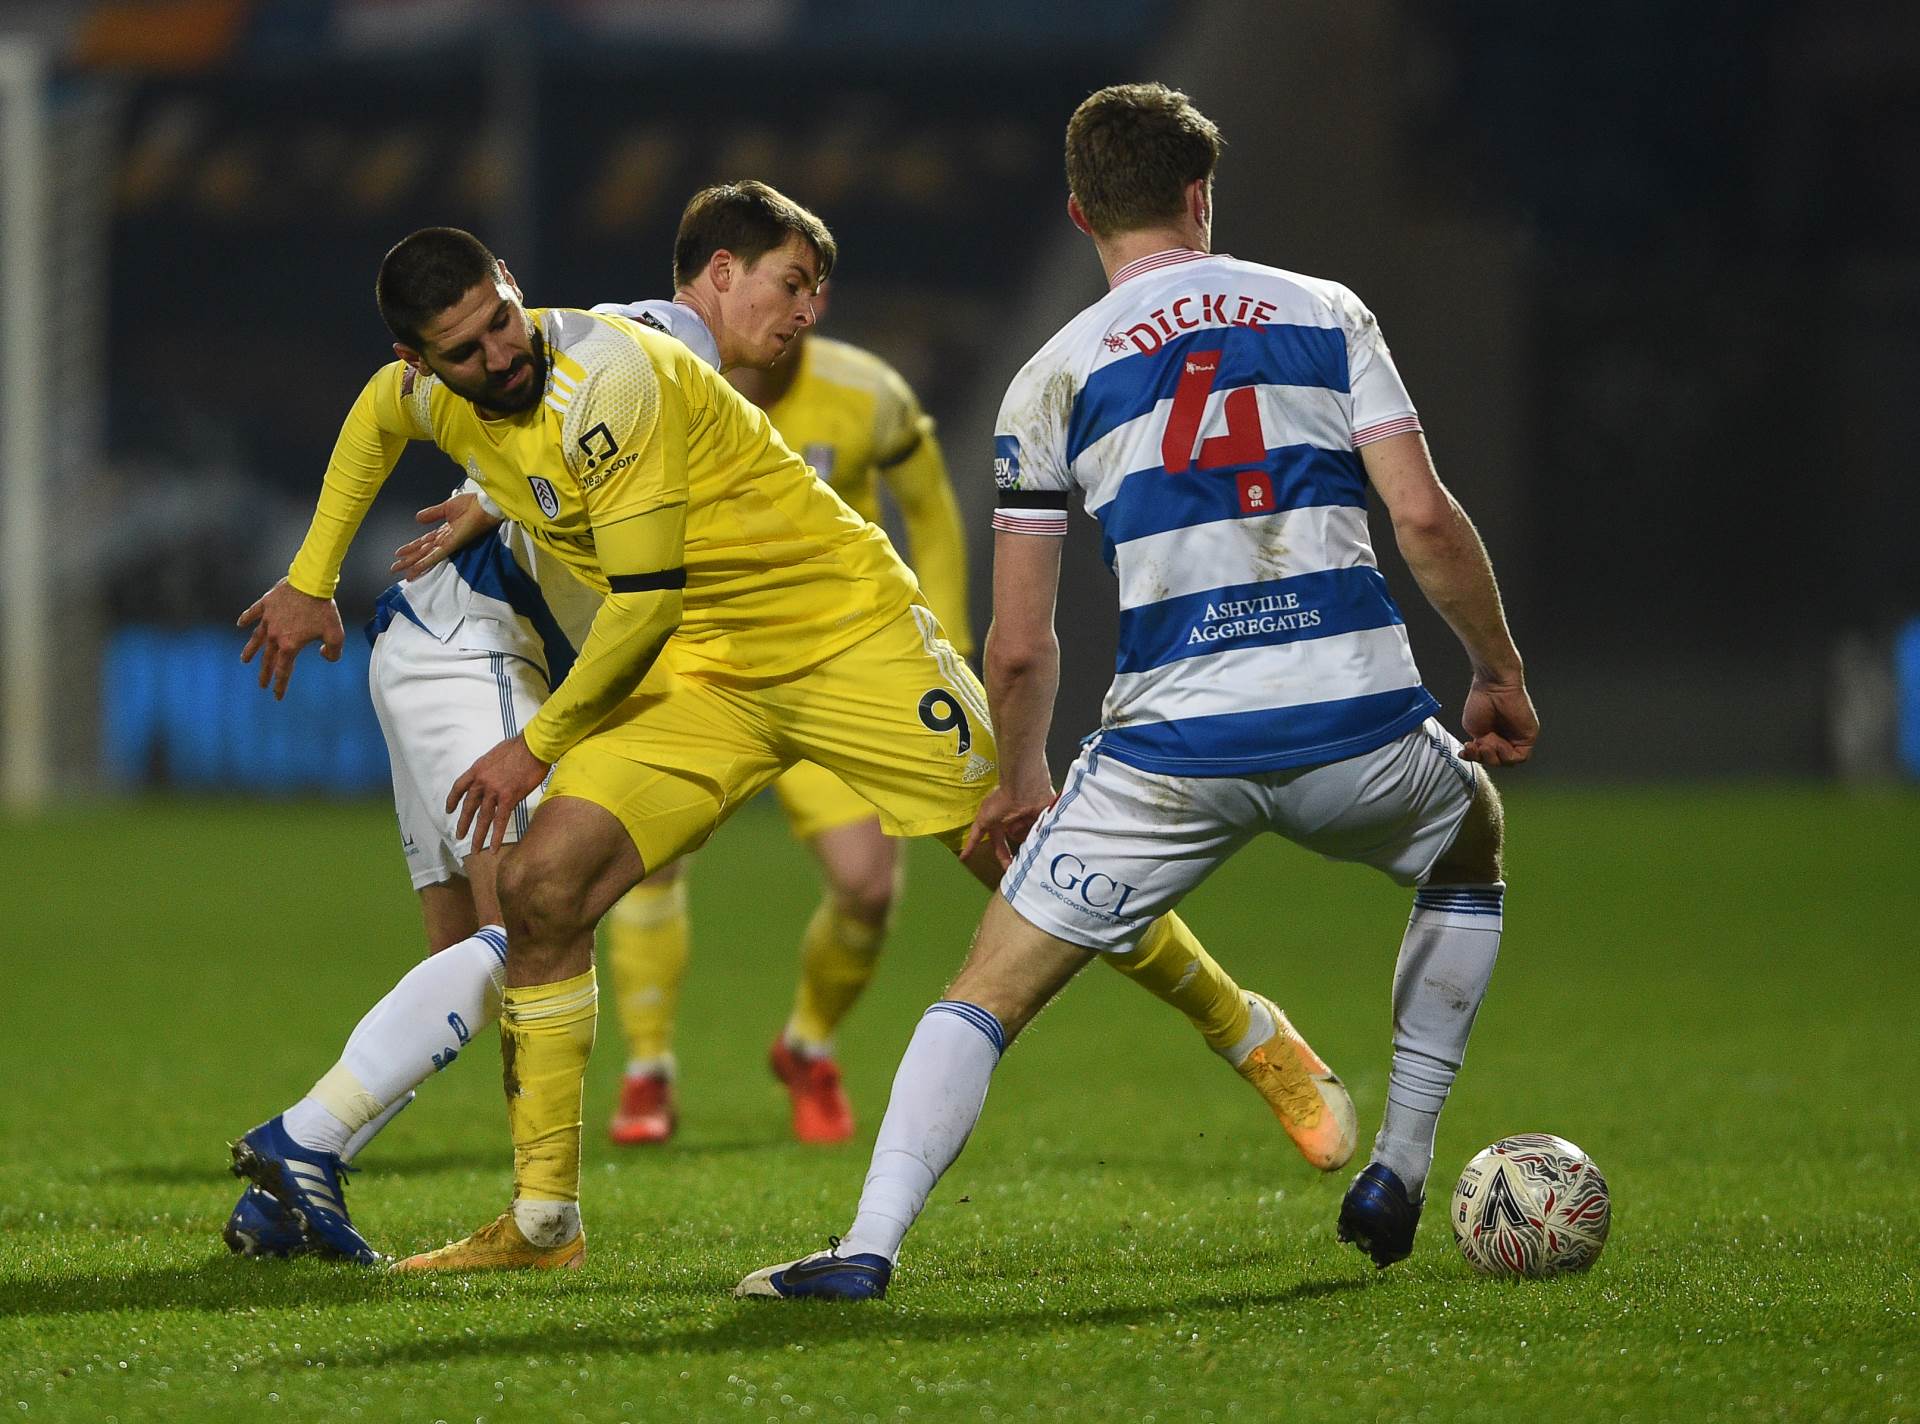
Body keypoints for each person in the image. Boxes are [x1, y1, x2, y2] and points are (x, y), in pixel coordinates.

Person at [230, 185, 1353, 1272]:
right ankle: (541, 1219)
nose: (499, 356)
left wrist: (538, 740)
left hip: (841, 634)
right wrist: (311, 576)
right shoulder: (437, 393)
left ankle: (1247, 1029)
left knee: (1034, 861)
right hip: (710, 675)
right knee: (539, 886)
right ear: (425, 360)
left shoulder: (606, 377)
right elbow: (379, 418)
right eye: (466, 351)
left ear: (515, 286)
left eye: (502, 322)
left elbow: (644, 601)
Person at [736, 83, 1536, 1302]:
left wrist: (1019, 779)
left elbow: (1019, 641)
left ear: (1079, 212)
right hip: (1355, 725)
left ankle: (868, 1245)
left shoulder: (1052, 376)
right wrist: (1495, 670)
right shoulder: (1325, 312)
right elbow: (1421, 517)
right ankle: (1402, 1166)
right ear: (1199, 194)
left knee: (986, 991)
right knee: (1469, 840)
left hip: (1168, 756)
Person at [598, 280, 975, 1148]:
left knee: (867, 889)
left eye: (812, 289)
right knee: (642, 858)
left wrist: (945, 640)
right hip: (699, 670)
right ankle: (647, 1070)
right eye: (782, 287)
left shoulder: (866, 391)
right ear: (722, 287)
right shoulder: (657, 383)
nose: (798, 312)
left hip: (826, 671)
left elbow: (930, 504)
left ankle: (807, 1044)